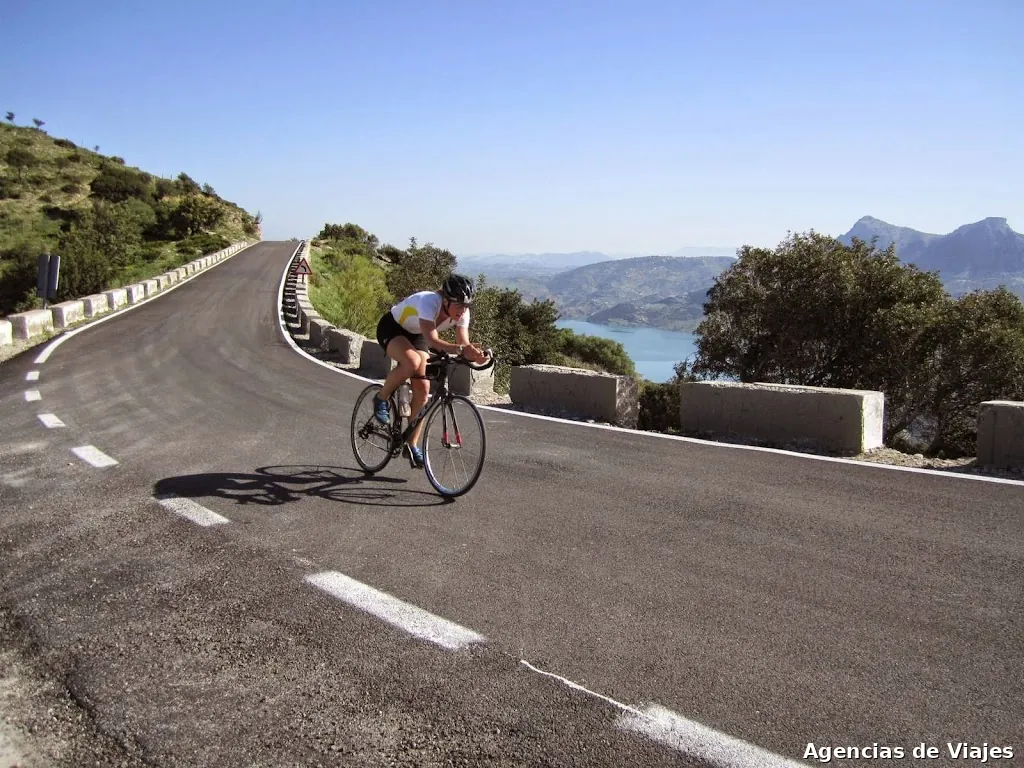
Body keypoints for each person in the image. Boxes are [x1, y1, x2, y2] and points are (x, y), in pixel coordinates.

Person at [373, 274, 489, 467]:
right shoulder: (429, 302)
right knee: (412, 361)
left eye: (466, 306)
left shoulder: (462, 313)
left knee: (424, 389)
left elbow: (463, 342)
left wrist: (476, 355)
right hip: (392, 328)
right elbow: (432, 341)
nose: (462, 310)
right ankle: (381, 398)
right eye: (458, 305)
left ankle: (411, 445)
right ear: (445, 300)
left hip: (416, 334)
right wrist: (460, 350)